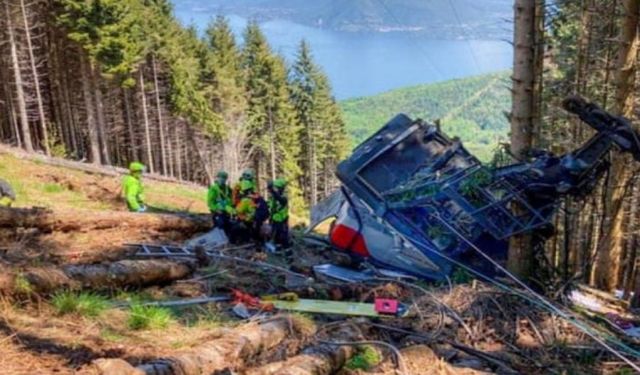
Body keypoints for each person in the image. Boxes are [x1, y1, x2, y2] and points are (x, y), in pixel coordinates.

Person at [235, 180, 269, 248]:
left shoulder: (247, 200)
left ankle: (248, 240)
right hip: (258, 218)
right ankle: (258, 240)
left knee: (236, 227)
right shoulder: (257, 196)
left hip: (252, 219)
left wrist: (229, 208)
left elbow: (238, 210)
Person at [207, 170, 234, 234]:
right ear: (217, 178)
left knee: (230, 228)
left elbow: (232, 199)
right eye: (221, 177)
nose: (222, 179)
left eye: (224, 178)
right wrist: (216, 209)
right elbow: (210, 203)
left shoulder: (228, 189)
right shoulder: (213, 189)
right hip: (218, 213)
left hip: (227, 212)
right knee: (220, 227)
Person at [268, 178, 291, 251]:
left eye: (276, 188)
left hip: (282, 220)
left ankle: (288, 255)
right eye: (274, 187)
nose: (275, 189)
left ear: (281, 188)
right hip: (275, 219)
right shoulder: (274, 197)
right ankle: (278, 249)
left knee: (283, 237)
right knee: (276, 237)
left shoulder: (284, 197)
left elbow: (280, 199)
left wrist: (272, 190)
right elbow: (271, 207)